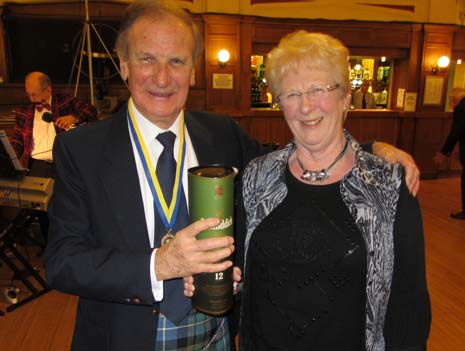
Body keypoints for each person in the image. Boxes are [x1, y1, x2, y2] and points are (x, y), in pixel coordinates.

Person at [44, 1, 419, 350]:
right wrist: (159, 265)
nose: (162, 77)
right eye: (147, 59)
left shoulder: (221, 134)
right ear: (124, 65)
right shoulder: (82, 149)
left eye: (177, 61)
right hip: (124, 338)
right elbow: (62, 260)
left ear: (193, 71)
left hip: (215, 337)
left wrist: (370, 150)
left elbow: (300, 155)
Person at [236, 31, 430, 350]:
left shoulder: (388, 185)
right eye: (292, 94)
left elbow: (409, 306)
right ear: (280, 103)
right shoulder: (257, 176)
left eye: (318, 89)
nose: (306, 106)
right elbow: (242, 277)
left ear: (345, 98)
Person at [10, 71, 97, 245]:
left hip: (63, 164)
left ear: (48, 90)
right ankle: (50, 247)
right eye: (28, 94)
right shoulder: (23, 111)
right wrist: (10, 156)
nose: (31, 98)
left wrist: (73, 117)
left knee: (69, 207)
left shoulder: (65, 101)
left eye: (34, 94)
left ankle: (75, 245)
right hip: (37, 166)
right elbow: (17, 141)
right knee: (43, 210)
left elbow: (91, 111)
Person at [434, 87, 465, 219]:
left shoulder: (461, 108)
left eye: (450, 99)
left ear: (454, 98)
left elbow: (456, 131)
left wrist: (444, 152)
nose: (450, 103)